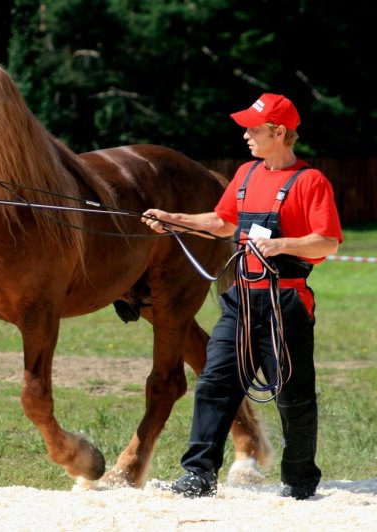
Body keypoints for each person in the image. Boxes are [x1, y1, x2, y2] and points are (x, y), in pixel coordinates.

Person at [143, 93, 343, 500]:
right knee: (214, 383)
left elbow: (328, 242)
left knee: (292, 394)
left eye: (254, 128)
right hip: (240, 299)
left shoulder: (310, 182)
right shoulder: (246, 174)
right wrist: (173, 220)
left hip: (285, 303)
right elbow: (220, 222)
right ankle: (198, 475)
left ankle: (300, 479)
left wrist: (282, 246)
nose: (246, 135)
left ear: (280, 132)